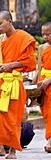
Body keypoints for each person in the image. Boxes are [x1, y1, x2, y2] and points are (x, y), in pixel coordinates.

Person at [0, 10, 36, 159]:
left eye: (1, 23)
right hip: (1, 82)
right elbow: (2, 61)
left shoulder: (24, 38)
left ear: (10, 21)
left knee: (13, 116)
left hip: (14, 83)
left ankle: (12, 150)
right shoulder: (0, 39)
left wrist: (10, 65)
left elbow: (30, 61)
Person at [35, 21, 51, 153]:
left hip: (50, 81)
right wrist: (35, 82)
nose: (45, 37)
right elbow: (39, 67)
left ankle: (50, 140)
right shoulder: (42, 48)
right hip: (43, 83)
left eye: (48, 34)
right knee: (46, 113)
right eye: (43, 34)